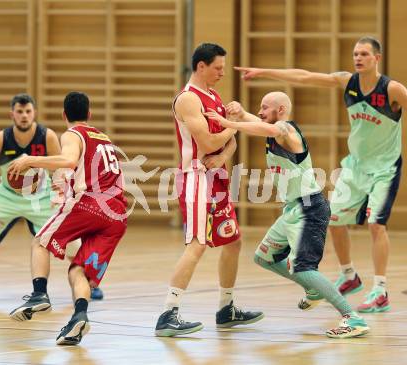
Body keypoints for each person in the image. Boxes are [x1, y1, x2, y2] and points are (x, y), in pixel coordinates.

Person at [235, 36, 407, 313]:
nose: (358, 58)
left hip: (385, 168)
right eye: (355, 54)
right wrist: (264, 72)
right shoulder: (347, 82)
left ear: (377, 58)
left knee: (376, 224)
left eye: (364, 54)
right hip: (355, 166)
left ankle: (381, 289)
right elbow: (304, 77)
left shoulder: (393, 89)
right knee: (335, 219)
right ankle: (349, 275)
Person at [204, 91, 370, 338]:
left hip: (309, 209)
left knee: (303, 266)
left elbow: (270, 129)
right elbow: (261, 124)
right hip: (292, 209)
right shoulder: (272, 127)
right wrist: (241, 114)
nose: (260, 112)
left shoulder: (286, 129)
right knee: (264, 257)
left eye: (265, 107)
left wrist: (230, 123)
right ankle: (312, 289)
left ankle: (353, 318)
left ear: (280, 110)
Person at [154, 43, 264, 337]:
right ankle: (168, 313)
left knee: (233, 241)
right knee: (197, 245)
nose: (221, 74)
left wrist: (226, 148)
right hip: (196, 180)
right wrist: (235, 125)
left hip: (217, 180)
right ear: (200, 66)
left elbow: (228, 146)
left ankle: (226, 308)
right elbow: (209, 143)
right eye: (217, 68)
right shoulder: (188, 100)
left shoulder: (214, 97)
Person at [8, 91, 127, 345]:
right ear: (90, 114)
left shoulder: (73, 134)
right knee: (78, 271)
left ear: (64, 115)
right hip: (117, 215)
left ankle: (40, 295)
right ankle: (79, 317)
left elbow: (70, 160)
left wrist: (31, 160)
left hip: (92, 205)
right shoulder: (103, 137)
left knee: (40, 242)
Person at [0, 93, 104, 300]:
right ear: (12, 114)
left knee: (71, 242)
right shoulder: (1, 139)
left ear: (34, 113)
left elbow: (62, 168)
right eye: (20, 111)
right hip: (6, 196)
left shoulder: (46, 136)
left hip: (41, 196)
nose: (24, 115)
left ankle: (89, 283)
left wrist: (63, 195)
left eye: (28, 111)